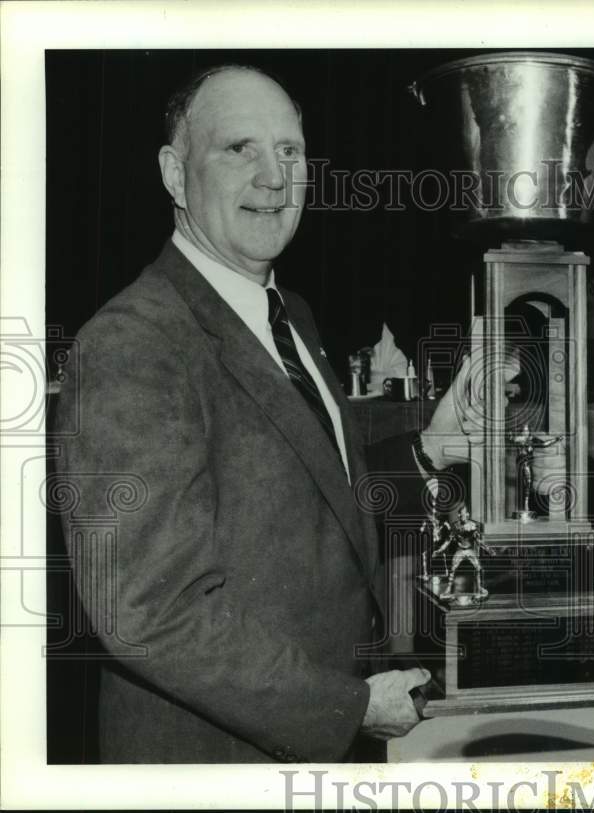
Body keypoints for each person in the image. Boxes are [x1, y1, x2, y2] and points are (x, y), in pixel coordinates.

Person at [53, 64, 429, 763]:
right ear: (174, 173)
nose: (274, 177)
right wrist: (349, 706)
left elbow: (313, 500)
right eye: (239, 149)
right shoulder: (133, 340)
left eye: (289, 151)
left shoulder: (293, 316)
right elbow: (147, 608)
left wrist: (427, 450)